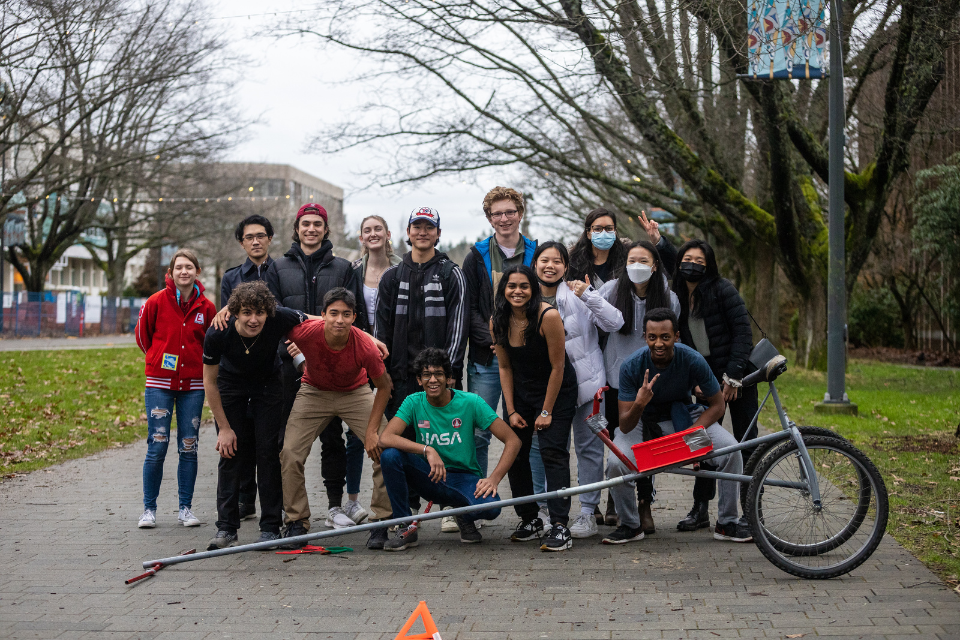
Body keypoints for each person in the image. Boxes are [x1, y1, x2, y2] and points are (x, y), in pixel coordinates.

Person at [602, 308, 752, 545]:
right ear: (645, 337)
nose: (658, 343)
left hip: (684, 419)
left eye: (665, 337)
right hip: (642, 423)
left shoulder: (692, 358)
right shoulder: (631, 366)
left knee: (731, 451)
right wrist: (640, 403)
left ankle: (727, 523)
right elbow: (625, 424)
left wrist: (692, 433)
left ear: (677, 336)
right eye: (652, 337)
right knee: (615, 463)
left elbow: (717, 405)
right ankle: (631, 525)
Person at [263, 203, 370, 531]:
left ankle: (336, 506)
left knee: (334, 440)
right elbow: (272, 311)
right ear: (297, 228)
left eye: (317, 224)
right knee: (288, 443)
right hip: (288, 365)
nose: (311, 229)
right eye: (305, 224)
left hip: (335, 366)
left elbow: (354, 313)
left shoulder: (342, 267)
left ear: (326, 229)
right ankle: (289, 513)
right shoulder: (278, 266)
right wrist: (294, 346)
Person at [375, 206, 467, 543]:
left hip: (440, 380)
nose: (423, 232)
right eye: (417, 226)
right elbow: (379, 330)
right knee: (403, 447)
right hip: (399, 378)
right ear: (408, 233)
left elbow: (458, 325)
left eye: (429, 227)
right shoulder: (391, 276)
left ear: (438, 233)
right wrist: (380, 372)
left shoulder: (450, 273)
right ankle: (405, 518)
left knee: (448, 443)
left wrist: (450, 371)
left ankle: (452, 510)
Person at [279, 288, 393, 549]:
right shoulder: (306, 331)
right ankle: (296, 521)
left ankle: (382, 521)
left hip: (355, 392)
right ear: (322, 315)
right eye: (333, 313)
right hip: (313, 391)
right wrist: (230, 309)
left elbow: (384, 386)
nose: (339, 320)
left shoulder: (364, 346)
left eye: (346, 314)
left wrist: (374, 431)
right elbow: (273, 319)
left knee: (386, 450)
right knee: (290, 453)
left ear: (354, 318)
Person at [377, 348, 522, 551]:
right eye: (426, 375)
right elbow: (385, 438)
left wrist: (494, 479)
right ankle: (406, 527)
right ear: (419, 380)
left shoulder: (471, 402)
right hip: (429, 475)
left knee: (492, 508)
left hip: (463, 478)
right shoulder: (413, 401)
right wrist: (427, 449)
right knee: (390, 456)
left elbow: (513, 440)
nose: (433, 380)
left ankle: (463, 514)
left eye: (439, 374)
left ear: (450, 379)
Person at [201, 282, 310, 550]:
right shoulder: (217, 332)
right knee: (230, 453)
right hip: (230, 385)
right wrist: (224, 429)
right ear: (235, 312)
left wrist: (367, 337)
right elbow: (210, 383)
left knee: (268, 453)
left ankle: (270, 527)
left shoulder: (278, 316)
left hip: (267, 385)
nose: (254, 319)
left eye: (259, 313)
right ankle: (226, 528)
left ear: (268, 312)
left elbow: (317, 320)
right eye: (247, 312)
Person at [532, 241, 623, 539]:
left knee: (590, 447)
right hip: (547, 390)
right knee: (549, 450)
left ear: (566, 266)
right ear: (535, 264)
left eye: (557, 261)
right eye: (544, 260)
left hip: (588, 388)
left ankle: (587, 513)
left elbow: (614, 322)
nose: (550, 266)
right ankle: (545, 510)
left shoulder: (576, 293)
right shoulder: (525, 297)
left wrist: (590, 296)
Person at [671, 239, 757, 533]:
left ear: (709, 266)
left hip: (738, 377)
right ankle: (700, 508)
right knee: (703, 442)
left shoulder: (723, 289)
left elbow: (743, 332)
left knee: (747, 443)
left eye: (699, 261)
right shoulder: (677, 294)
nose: (692, 264)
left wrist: (732, 377)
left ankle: (749, 510)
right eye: (687, 259)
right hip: (703, 379)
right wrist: (695, 381)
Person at [492, 265, 578, 551]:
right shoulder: (499, 320)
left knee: (553, 452)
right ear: (504, 289)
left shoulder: (547, 316)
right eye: (511, 286)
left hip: (556, 390)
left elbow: (558, 366)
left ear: (533, 289)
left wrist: (546, 411)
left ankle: (560, 524)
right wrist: (512, 410)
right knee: (515, 450)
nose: (517, 291)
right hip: (521, 392)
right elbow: (504, 366)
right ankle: (530, 518)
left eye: (524, 286)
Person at [597, 239, 681, 530]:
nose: (637, 266)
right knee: (618, 443)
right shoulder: (609, 290)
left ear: (655, 265)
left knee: (648, 442)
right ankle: (615, 499)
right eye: (632, 260)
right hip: (616, 379)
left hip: (652, 381)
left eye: (644, 261)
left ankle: (645, 501)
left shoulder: (668, 297)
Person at [134, 249, 216, 529]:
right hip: (159, 385)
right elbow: (143, 336)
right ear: (170, 273)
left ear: (197, 271)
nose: (184, 272)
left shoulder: (206, 307)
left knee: (188, 447)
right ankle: (149, 509)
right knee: (157, 445)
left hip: (193, 386)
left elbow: (211, 344)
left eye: (189, 267)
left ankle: (185, 508)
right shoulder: (156, 301)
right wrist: (156, 361)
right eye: (179, 267)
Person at [462, 187, 538, 479]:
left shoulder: (537, 252)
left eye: (510, 212)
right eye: (497, 214)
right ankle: (473, 501)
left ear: (520, 214)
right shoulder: (476, 256)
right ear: (489, 218)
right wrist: (495, 340)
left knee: (526, 430)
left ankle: (534, 505)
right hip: (487, 358)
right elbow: (468, 307)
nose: (504, 218)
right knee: (479, 431)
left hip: (528, 358)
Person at [218, 214, 276, 523]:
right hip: (238, 365)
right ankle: (243, 499)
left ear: (269, 239)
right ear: (242, 242)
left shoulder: (278, 271)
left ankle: (272, 512)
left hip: (271, 364)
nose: (255, 241)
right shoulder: (231, 277)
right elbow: (227, 317)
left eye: (261, 235)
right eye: (249, 237)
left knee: (267, 442)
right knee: (239, 438)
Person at [566, 207, 628, 288]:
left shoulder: (628, 259)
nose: (604, 233)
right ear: (588, 233)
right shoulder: (573, 264)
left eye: (609, 229)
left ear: (615, 232)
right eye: (598, 229)